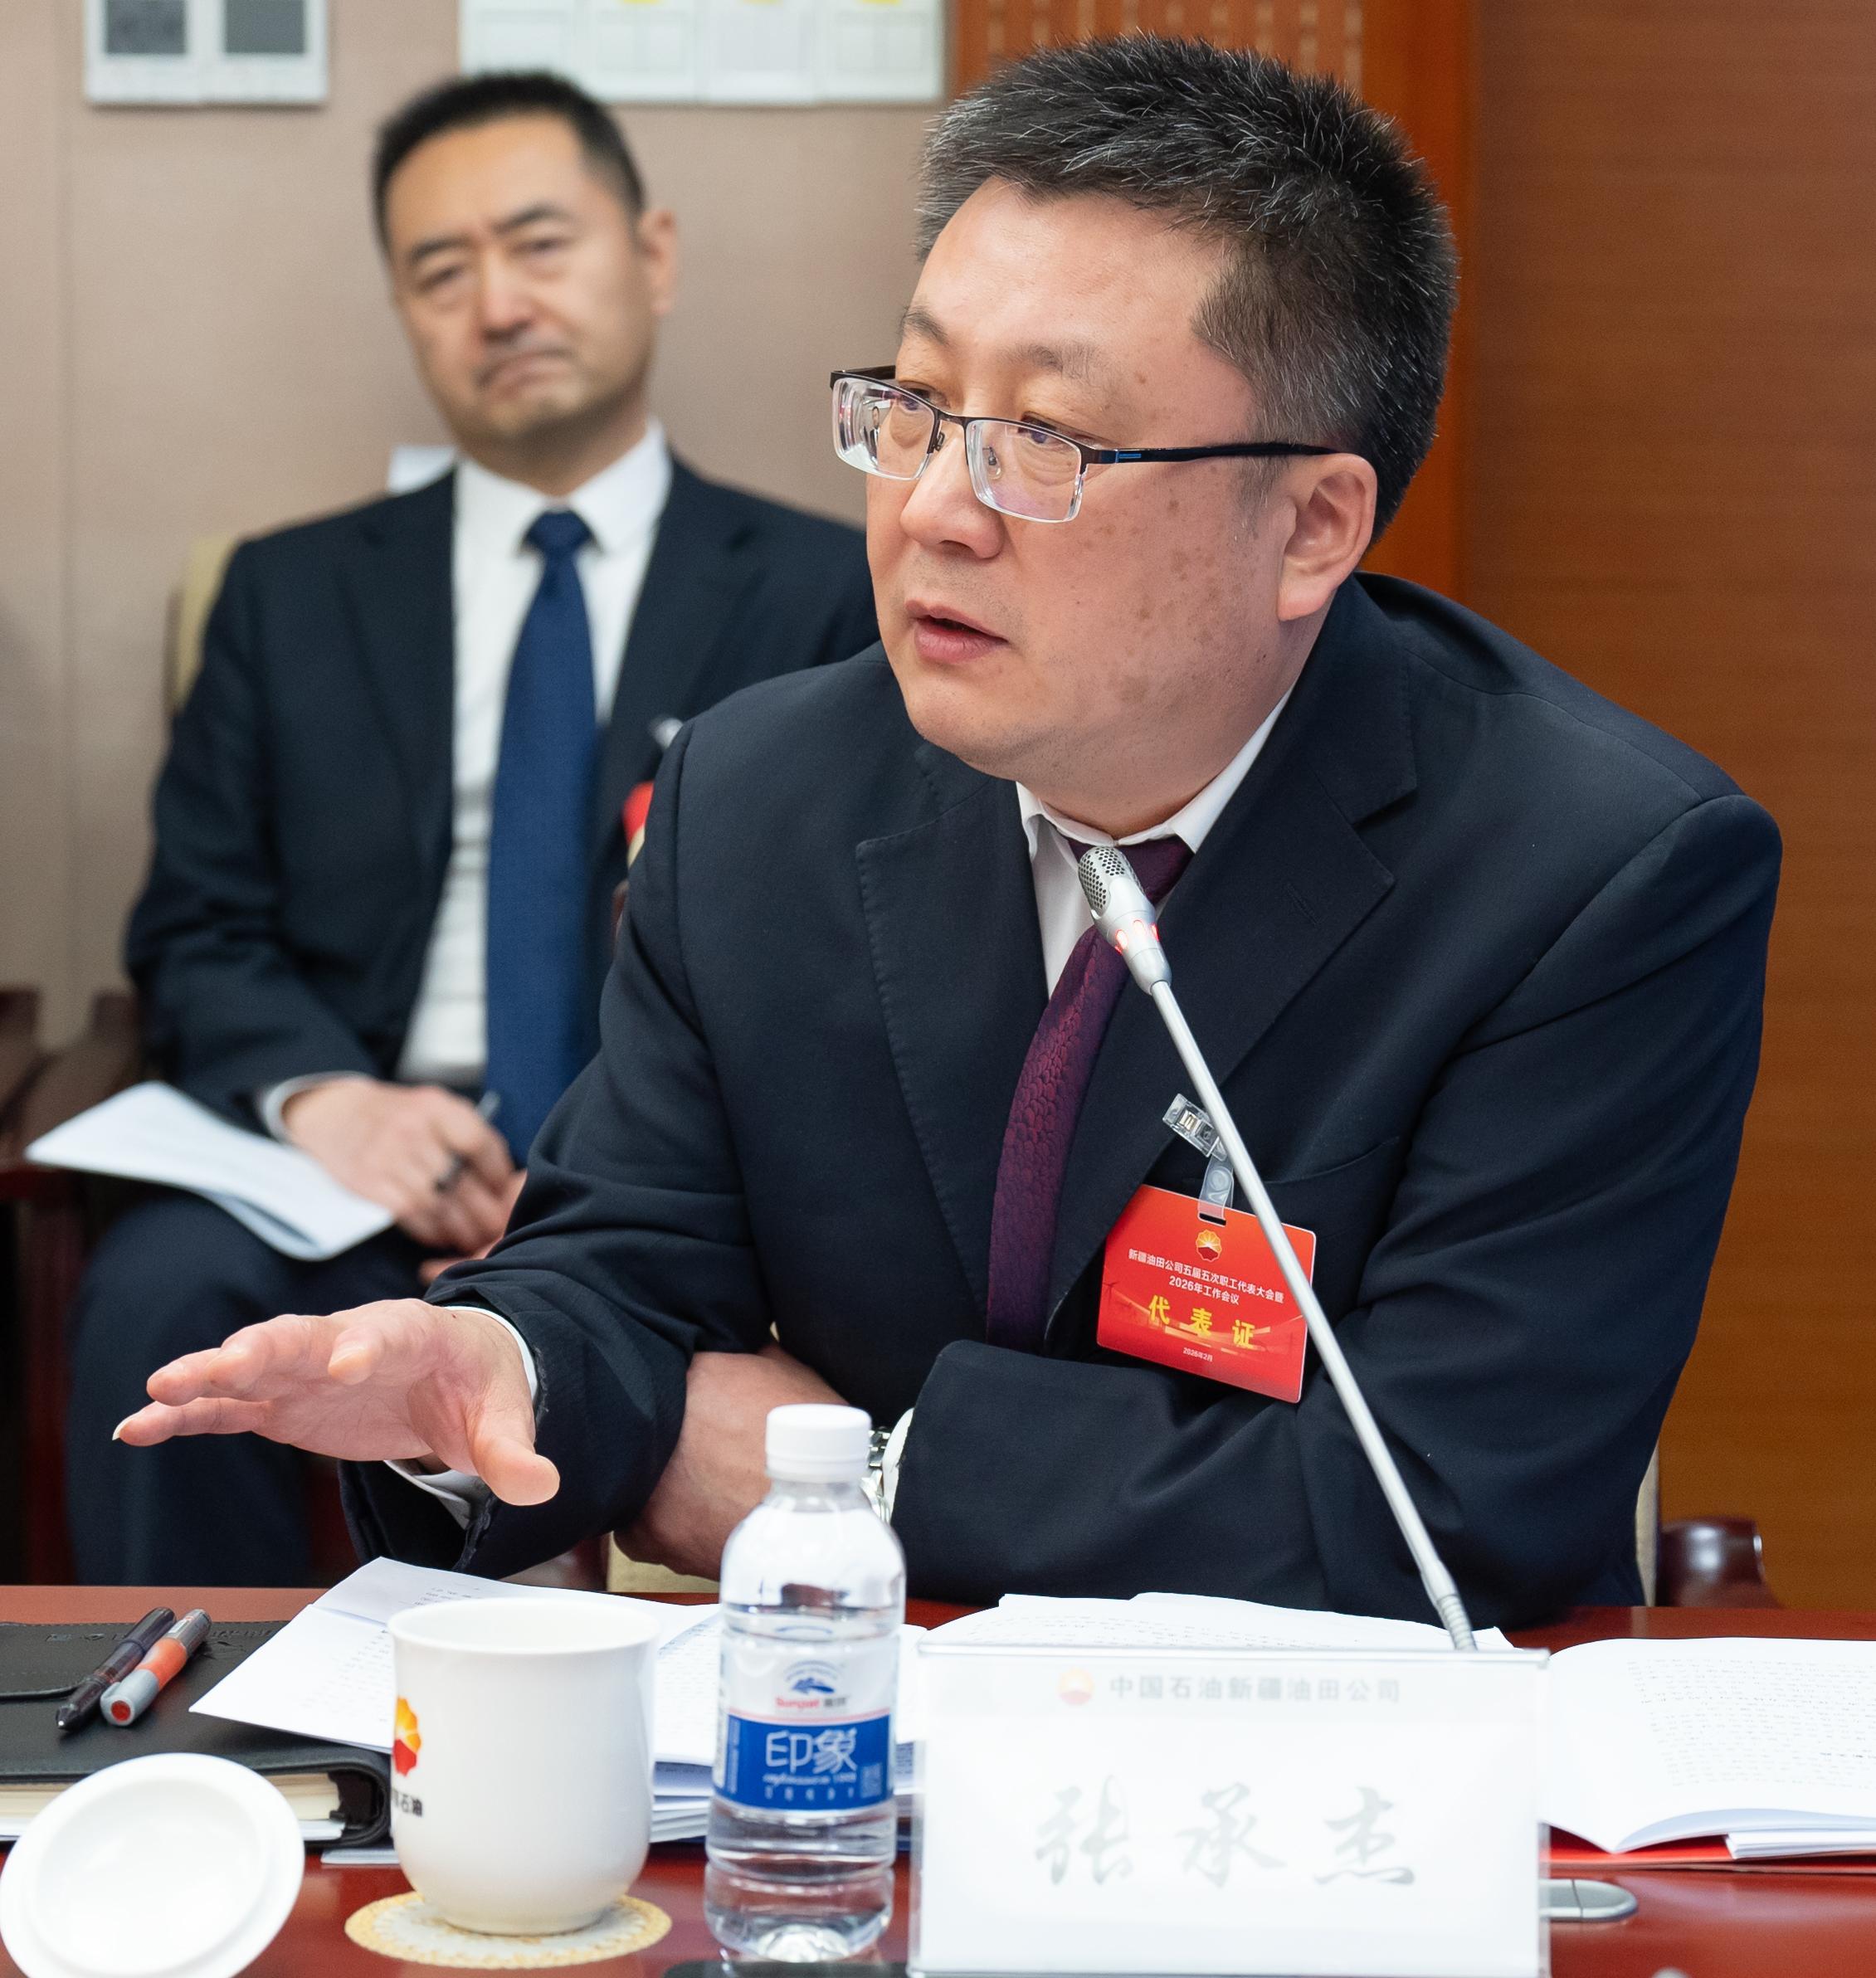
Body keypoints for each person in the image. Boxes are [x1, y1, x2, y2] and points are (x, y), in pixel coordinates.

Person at [120, 39, 1779, 1627]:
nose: (930, 508)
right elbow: (623, 1266)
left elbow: (1440, 1511)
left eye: (1044, 444)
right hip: (835, 1741)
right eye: (913, 405)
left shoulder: (1592, 878)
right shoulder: (760, 794)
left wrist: (864, 1479)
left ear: (1310, 527)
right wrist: (501, 1366)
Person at [70, 70, 876, 1585]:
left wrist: (613, 1166)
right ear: (405, 309)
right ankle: (195, 1722)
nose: (498, 304)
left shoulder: (830, 594)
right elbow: (196, 929)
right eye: (442, 271)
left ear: (652, 255)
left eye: (539, 245)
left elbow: (854, 959)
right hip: (355, 1180)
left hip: (673, 1195)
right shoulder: (287, 596)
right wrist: (330, 1104)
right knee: (158, 1299)